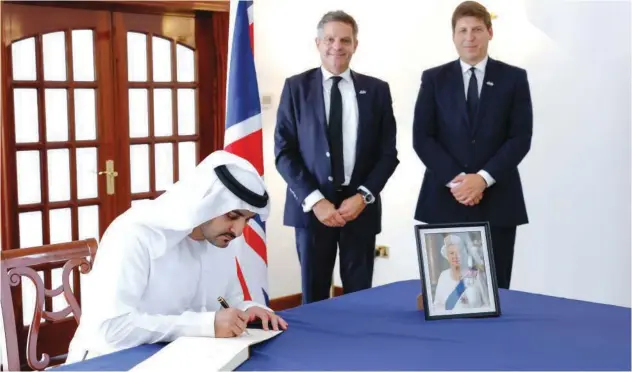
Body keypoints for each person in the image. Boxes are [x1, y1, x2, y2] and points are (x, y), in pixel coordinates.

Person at [65, 151, 288, 363]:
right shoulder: (134, 233)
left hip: (188, 358)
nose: (238, 231)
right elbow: (110, 330)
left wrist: (247, 310)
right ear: (208, 202)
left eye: (246, 220)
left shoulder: (221, 238)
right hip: (112, 360)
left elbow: (227, 300)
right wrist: (205, 325)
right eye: (232, 215)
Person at [274, 10, 399, 304]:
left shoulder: (377, 90)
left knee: (359, 297)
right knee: (314, 298)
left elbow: (387, 153)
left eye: (345, 40)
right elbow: (284, 152)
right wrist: (316, 201)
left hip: (360, 210)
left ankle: (359, 349)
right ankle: (314, 350)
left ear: (355, 44)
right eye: (329, 39)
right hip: (313, 211)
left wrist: (363, 197)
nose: (337, 46)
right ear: (317, 43)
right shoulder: (296, 88)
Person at [412, 1, 533, 289]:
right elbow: (422, 137)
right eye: (462, 30)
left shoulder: (514, 78)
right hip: (444, 199)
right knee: (447, 290)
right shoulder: (433, 79)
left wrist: (482, 179)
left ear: (490, 32)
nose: (470, 37)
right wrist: (460, 184)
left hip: (498, 198)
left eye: (477, 29)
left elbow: (520, 138)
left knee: (495, 287)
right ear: (453, 36)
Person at [432, 234, 489, 311]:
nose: (455, 256)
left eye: (458, 252)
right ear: (447, 256)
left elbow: (488, 305)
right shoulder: (443, 276)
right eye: (451, 253)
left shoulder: (476, 274)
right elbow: (437, 305)